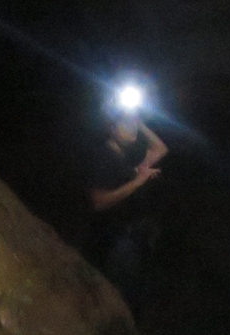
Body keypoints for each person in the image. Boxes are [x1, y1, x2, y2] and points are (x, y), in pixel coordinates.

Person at [86, 92, 168, 323]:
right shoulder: (105, 156)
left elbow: (160, 149)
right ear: (112, 128)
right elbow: (98, 201)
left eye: (133, 123)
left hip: (132, 238)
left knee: (135, 296)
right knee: (122, 301)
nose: (132, 128)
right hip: (116, 242)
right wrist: (138, 181)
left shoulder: (122, 157)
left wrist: (136, 119)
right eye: (126, 123)